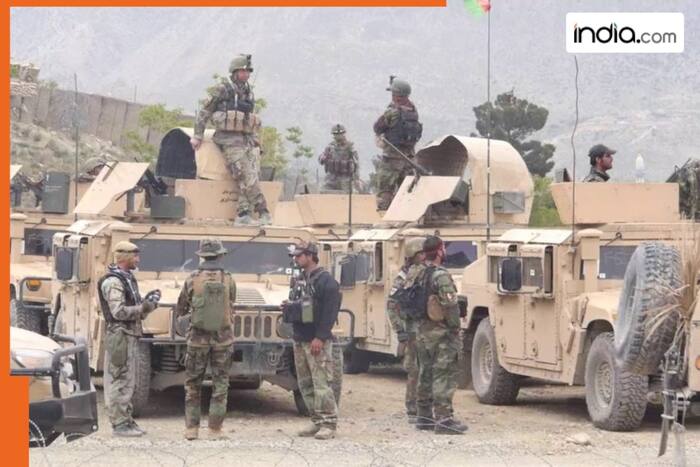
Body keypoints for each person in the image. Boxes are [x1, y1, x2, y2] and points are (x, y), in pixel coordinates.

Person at [190, 54, 271, 226]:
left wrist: (254, 139)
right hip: (227, 139)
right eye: (243, 71)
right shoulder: (223, 89)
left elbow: (247, 119)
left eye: (248, 71)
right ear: (234, 72)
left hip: (245, 138)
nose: (246, 74)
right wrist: (197, 136)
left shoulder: (248, 92)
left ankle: (243, 213)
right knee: (245, 173)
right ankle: (262, 210)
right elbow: (205, 111)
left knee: (252, 174)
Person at [174, 238, 236, 441]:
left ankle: (191, 429)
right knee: (221, 385)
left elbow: (181, 307)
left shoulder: (192, 279)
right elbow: (232, 302)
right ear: (220, 255)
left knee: (193, 384)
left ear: (202, 256)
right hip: (223, 340)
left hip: (197, 340)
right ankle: (215, 430)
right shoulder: (228, 279)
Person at [97, 241, 161, 437]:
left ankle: (126, 419)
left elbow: (132, 308)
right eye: (135, 256)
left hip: (128, 335)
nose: (138, 260)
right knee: (119, 380)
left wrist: (147, 305)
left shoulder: (126, 279)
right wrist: (142, 308)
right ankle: (119, 424)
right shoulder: (114, 282)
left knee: (128, 381)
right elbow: (118, 312)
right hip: (120, 336)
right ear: (124, 257)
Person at [283, 242, 340, 440]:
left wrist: (321, 337)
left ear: (310, 256)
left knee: (321, 383)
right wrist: (289, 307)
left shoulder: (326, 282)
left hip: (316, 340)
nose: (296, 259)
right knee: (305, 383)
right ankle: (316, 420)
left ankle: (328, 423)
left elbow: (330, 312)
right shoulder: (301, 279)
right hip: (300, 338)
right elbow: (302, 305)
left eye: (299, 256)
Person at [412, 235, 467, 435]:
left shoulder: (416, 273)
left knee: (425, 372)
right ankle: (444, 419)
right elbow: (450, 305)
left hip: (422, 332)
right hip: (441, 333)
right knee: (444, 374)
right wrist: (455, 327)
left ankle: (424, 416)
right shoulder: (441, 276)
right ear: (440, 250)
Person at [386, 237, 425, 424]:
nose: (424, 256)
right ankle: (412, 408)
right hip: (411, 331)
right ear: (412, 255)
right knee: (414, 370)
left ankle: (427, 407)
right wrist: (400, 331)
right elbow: (391, 304)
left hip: (426, 330)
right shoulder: (403, 277)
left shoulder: (427, 273)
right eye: (421, 253)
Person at [373, 77, 423, 210]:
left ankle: (384, 217)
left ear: (396, 95)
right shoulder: (413, 110)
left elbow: (377, 127)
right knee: (406, 193)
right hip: (409, 159)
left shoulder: (393, 111)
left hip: (392, 158)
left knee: (385, 191)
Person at [318, 124, 359, 192]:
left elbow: (356, 164)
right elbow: (321, 160)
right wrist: (323, 157)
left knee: (347, 195)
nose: (338, 135)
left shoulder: (350, 147)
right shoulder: (330, 147)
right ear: (333, 135)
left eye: (340, 133)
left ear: (344, 134)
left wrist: (356, 178)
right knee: (323, 192)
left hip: (345, 178)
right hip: (331, 178)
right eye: (336, 134)